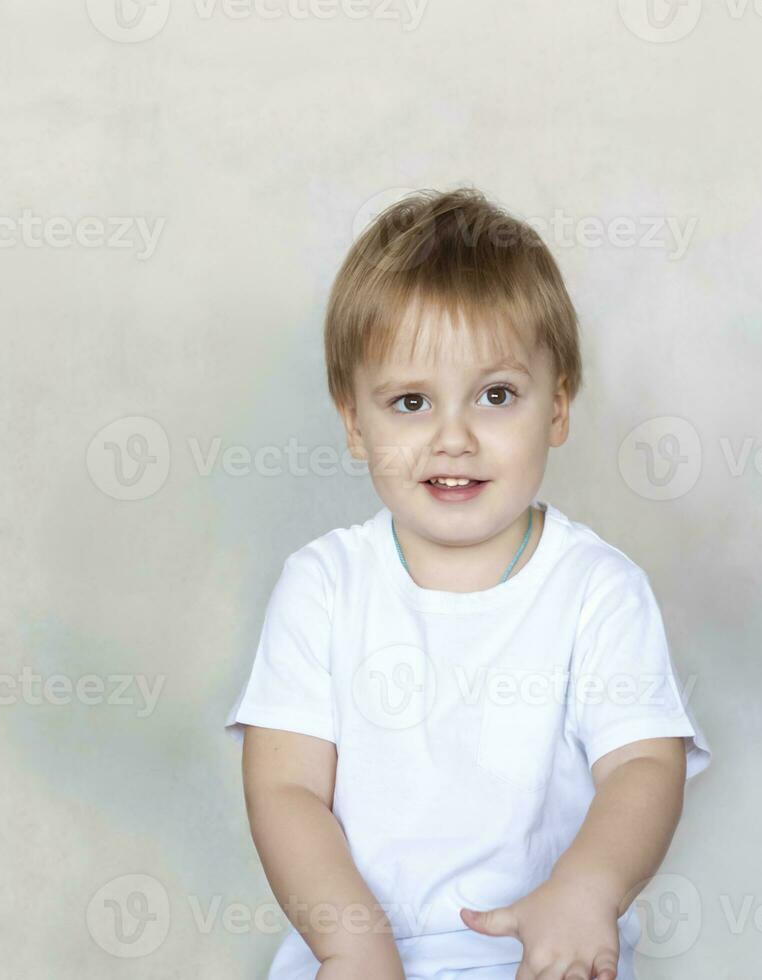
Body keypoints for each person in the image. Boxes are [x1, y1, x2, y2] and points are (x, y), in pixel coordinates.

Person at [224, 186, 711, 980]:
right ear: (354, 423)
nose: (453, 438)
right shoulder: (324, 587)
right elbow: (284, 789)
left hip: (544, 954)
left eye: (496, 395)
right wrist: (353, 944)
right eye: (410, 402)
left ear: (557, 405)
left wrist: (587, 890)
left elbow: (643, 767)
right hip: (362, 955)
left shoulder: (596, 590)